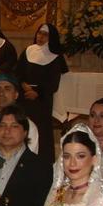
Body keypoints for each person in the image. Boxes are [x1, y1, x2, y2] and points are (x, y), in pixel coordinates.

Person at [16, 23, 68, 163]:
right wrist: (23, 85)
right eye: (39, 33)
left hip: (42, 100)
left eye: (45, 35)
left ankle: (42, 163)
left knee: (41, 131)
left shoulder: (55, 58)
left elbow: (53, 83)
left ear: (51, 38)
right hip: (24, 97)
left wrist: (37, 92)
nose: (40, 37)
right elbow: (17, 73)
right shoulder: (27, 51)